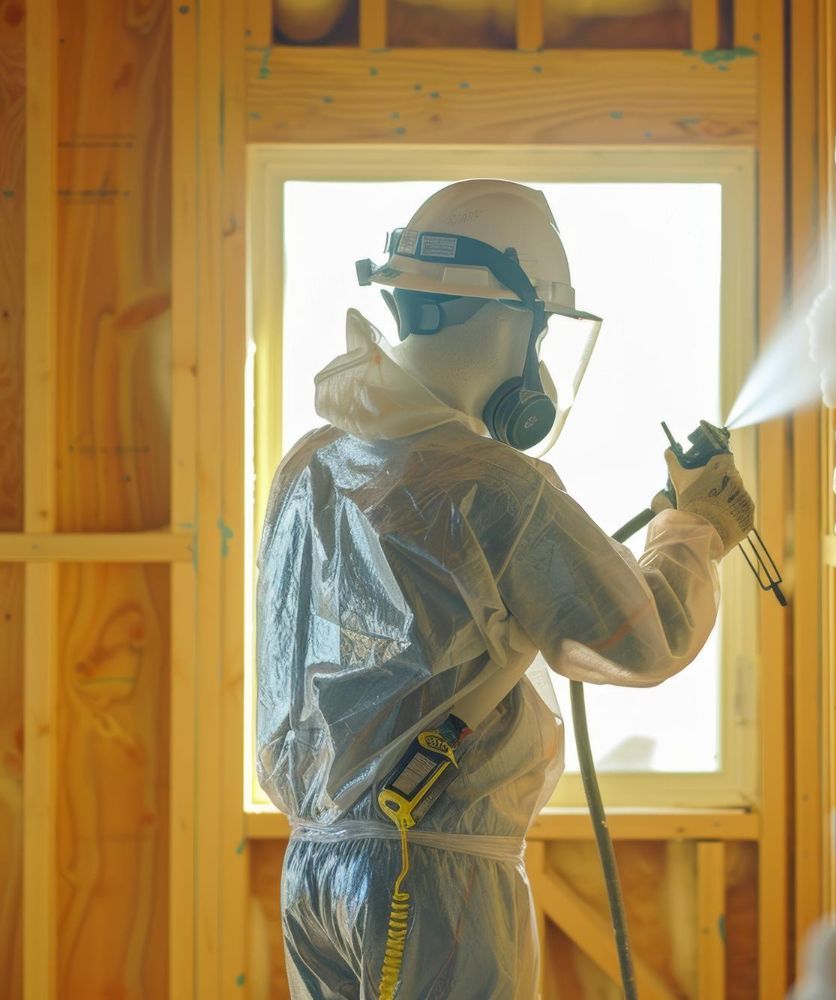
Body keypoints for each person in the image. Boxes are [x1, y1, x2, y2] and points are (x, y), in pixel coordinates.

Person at [255, 179, 754, 999]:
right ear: (511, 321)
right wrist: (694, 529)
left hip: (313, 870)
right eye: (541, 328)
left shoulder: (310, 462)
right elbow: (644, 639)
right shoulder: (496, 484)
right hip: (431, 879)